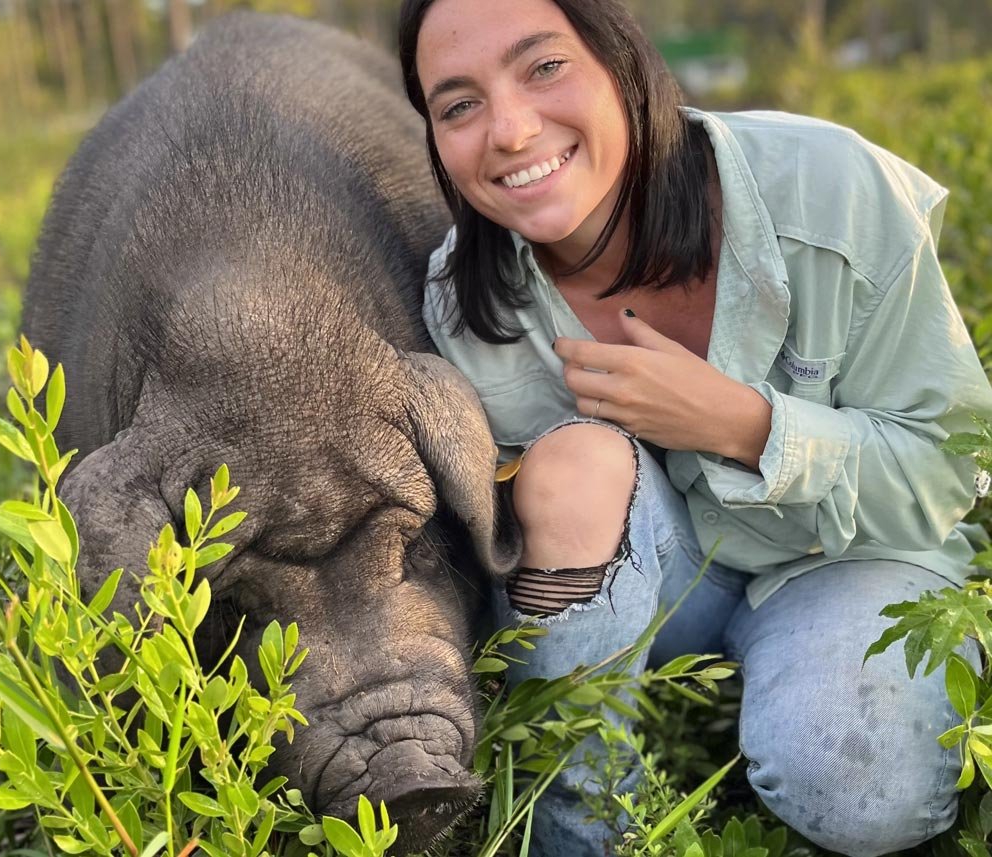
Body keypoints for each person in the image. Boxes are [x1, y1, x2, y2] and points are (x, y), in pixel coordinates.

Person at [397, 0, 992, 854]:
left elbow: (957, 470)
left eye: (545, 67)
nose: (511, 130)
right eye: (458, 105)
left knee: (863, 782)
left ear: (623, 60)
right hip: (663, 580)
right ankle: (583, 829)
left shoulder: (829, 187)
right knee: (569, 471)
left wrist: (747, 426)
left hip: (853, 556)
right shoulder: (465, 303)